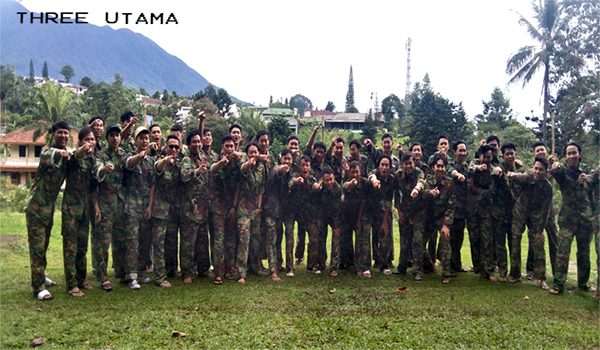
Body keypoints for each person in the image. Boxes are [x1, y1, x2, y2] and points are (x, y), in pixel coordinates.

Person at [26, 121, 71, 300]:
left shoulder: (67, 156)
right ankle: (38, 287)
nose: (63, 136)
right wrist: (62, 153)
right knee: (37, 247)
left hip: (49, 208)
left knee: (43, 245)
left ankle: (41, 274)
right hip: (36, 207)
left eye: (66, 133)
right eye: (60, 133)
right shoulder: (47, 151)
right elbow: (50, 155)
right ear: (53, 134)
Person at [549, 142, 594, 295]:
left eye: (574, 152)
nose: (572, 155)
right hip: (567, 220)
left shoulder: (587, 174)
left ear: (579, 155)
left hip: (584, 220)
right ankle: (558, 284)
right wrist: (553, 164)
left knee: (584, 253)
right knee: (562, 252)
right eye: (568, 153)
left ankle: (583, 283)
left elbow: (592, 195)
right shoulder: (563, 173)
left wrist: (586, 180)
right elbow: (555, 171)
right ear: (566, 157)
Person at [506, 157, 553, 289]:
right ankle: (514, 274)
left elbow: (546, 210)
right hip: (520, 211)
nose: (537, 172)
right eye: (536, 168)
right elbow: (514, 177)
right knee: (515, 240)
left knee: (538, 242)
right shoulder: (527, 176)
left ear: (546, 171)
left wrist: (540, 229)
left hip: (536, 215)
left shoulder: (547, 188)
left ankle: (540, 278)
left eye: (541, 170)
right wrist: (512, 175)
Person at [61, 127, 96, 297]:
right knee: (70, 247)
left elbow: (93, 185)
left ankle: (81, 279)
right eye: (88, 139)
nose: (91, 142)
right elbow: (74, 156)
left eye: (93, 139)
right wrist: (81, 150)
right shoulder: (73, 156)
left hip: (84, 209)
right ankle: (72, 284)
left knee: (82, 246)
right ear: (80, 141)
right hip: (70, 208)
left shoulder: (91, 161)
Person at [94, 124, 127, 291]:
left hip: (120, 203)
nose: (115, 138)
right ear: (107, 138)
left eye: (117, 135)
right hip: (105, 203)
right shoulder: (101, 155)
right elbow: (97, 172)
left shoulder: (122, 154)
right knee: (103, 242)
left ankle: (121, 272)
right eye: (112, 135)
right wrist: (104, 169)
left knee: (120, 240)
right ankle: (103, 276)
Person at [122, 126, 156, 289]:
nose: (144, 141)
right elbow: (129, 164)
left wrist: (150, 206)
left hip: (145, 207)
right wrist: (141, 155)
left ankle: (141, 272)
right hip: (131, 206)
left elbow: (152, 186)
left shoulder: (151, 161)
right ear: (135, 141)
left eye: (146, 138)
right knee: (132, 241)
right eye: (141, 138)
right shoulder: (129, 156)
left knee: (145, 241)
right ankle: (131, 275)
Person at [151, 135, 184, 288]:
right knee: (159, 243)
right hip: (160, 208)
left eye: (176, 147)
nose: (173, 150)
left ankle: (171, 270)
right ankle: (159, 276)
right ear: (165, 146)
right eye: (171, 146)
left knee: (172, 241)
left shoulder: (178, 164)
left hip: (174, 209)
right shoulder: (160, 160)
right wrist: (166, 160)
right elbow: (157, 167)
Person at [210, 135, 243, 284]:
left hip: (231, 206)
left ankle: (230, 269)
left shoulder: (237, 164)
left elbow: (239, 187)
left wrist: (234, 206)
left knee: (231, 240)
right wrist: (221, 163)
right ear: (222, 147)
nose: (229, 149)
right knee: (218, 240)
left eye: (232, 146)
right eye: (227, 146)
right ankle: (218, 272)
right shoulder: (216, 159)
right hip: (217, 206)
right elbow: (212, 170)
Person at [179, 129, 210, 284]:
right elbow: (184, 177)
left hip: (204, 206)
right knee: (188, 242)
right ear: (189, 144)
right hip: (190, 207)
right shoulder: (186, 160)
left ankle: (203, 269)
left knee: (203, 241)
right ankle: (187, 272)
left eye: (199, 141)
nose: (197, 144)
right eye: (194, 142)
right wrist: (197, 170)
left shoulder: (204, 157)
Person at [469, 144, 503, 281]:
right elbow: (469, 181)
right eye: (485, 156)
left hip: (487, 208)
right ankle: (478, 266)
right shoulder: (474, 166)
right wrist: (477, 169)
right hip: (473, 207)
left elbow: (495, 187)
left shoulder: (494, 169)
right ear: (480, 156)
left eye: (489, 157)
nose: (487, 159)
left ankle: (488, 269)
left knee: (487, 239)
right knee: (474, 237)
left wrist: (486, 193)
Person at [525, 141, 559, 278]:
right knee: (535, 240)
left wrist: (554, 166)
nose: (540, 152)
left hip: (550, 211)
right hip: (535, 212)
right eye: (537, 150)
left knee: (554, 240)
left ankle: (558, 272)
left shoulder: (554, 167)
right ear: (534, 154)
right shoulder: (533, 170)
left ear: (546, 151)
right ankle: (531, 270)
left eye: (542, 150)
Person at [236, 143, 268, 284]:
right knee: (244, 240)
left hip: (256, 208)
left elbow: (261, 188)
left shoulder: (262, 167)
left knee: (256, 239)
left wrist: (259, 207)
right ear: (246, 153)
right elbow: (243, 169)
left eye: (255, 152)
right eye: (250, 152)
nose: (253, 154)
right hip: (243, 208)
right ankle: (241, 272)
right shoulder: (243, 163)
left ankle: (256, 267)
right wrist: (249, 162)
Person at [423, 153, 455, 284]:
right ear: (433, 167)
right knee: (418, 242)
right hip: (428, 217)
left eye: (442, 166)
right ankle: (428, 265)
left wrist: (446, 224)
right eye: (438, 166)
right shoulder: (426, 182)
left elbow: (451, 205)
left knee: (445, 239)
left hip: (442, 218)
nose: (440, 168)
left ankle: (446, 272)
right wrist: (429, 194)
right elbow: (421, 198)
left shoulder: (449, 183)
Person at [263, 149, 295, 281]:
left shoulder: (293, 173)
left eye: (289, 159)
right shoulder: (274, 170)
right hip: (272, 210)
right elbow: (273, 175)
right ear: (280, 159)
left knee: (288, 237)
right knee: (272, 239)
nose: (287, 162)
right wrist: (279, 170)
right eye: (285, 159)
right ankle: (273, 269)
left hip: (286, 211)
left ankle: (289, 267)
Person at [342, 161, 376, 278]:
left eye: (357, 171)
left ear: (360, 171)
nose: (355, 174)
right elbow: (344, 188)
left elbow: (371, 199)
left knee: (363, 241)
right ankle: (351, 264)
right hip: (349, 215)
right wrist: (351, 184)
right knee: (347, 241)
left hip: (365, 215)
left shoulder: (366, 183)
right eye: (352, 172)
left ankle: (365, 266)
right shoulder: (347, 182)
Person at [395, 154, 426, 277]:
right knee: (404, 241)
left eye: (410, 163)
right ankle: (401, 267)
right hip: (405, 211)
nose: (408, 166)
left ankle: (418, 270)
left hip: (418, 211)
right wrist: (399, 210)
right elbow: (396, 194)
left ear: (414, 163)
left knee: (417, 241)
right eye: (406, 164)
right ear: (402, 165)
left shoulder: (419, 172)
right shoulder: (398, 175)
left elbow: (421, 182)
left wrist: (416, 190)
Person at [289, 156, 320, 273]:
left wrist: (317, 187)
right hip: (294, 212)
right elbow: (288, 184)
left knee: (314, 237)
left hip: (309, 214)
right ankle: (290, 265)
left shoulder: (312, 180)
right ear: (299, 166)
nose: (305, 167)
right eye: (303, 165)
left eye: (307, 165)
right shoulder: (294, 177)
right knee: (292, 239)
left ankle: (311, 265)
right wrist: (295, 182)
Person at [369, 156, 396, 275]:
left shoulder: (392, 179)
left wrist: (385, 218)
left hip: (386, 210)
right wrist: (374, 181)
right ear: (378, 166)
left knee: (386, 235)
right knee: (375, 236)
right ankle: (377, 260)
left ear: (390, 167)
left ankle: (386, 262)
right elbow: (371, 175)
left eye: (387, 165)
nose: (384, 167)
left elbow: (390, 199)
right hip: (373, 209)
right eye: (382, 165)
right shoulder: (375, 174)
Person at [313, 169, 343, 276]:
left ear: (334, 178)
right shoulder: (320, 188)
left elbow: (338, 208)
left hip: (335, 215)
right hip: (322, 214)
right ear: (323, 180)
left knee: (336, 240)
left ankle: (334, 267)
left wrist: (337, 225)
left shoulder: (338, 189)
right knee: (321, 238)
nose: (329, 182)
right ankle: (320, 264)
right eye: (327, 180)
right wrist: (319, 186)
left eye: (331, 179)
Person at [447, 141, 469, 273]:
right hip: (451, 208)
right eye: (460, 150)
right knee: (450, 238)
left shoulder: (467, 166)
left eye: (464, 150)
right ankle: (448, 264)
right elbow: (451, 171)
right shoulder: (450, 165)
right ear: (455, 152)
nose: (462, 153)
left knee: (459, 238)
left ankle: (457, 264)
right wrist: (458, 175)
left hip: (463, 208)